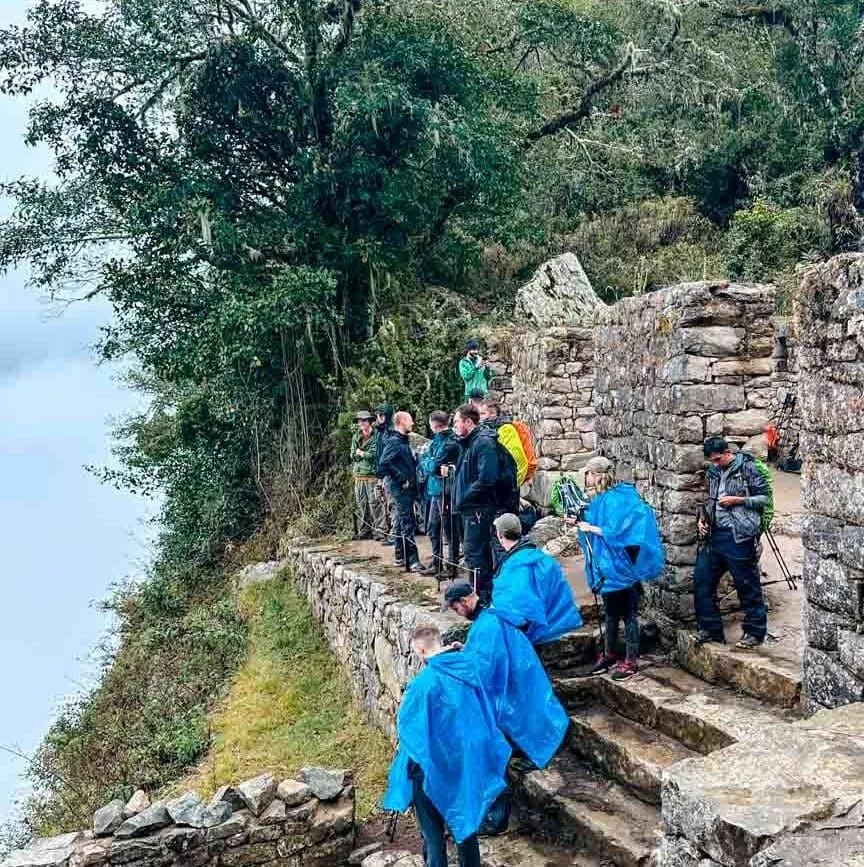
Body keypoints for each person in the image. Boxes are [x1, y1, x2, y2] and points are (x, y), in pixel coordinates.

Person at [383, 623, 511, 867]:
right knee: (465, 827)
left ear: (420, 650)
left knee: (433, 840)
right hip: (465, 765)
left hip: (430, 771)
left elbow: (410, 735)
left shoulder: (422, 685)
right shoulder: (470, 670)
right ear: (440, 643)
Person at [443, 582, 570, 770]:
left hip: (515, 673)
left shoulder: (487, 623)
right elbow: (486, 652)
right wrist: (465, 650)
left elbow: (484, 666)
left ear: (464, 601)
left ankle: (538, 748)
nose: (457, 612)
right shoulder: (492, 613)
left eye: (456, 608)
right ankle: (525, 744)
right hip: (519, 667)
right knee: (528, 708)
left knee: (524, 711)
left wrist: (455, 663)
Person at [573, 456, 663, 681]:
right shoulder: (607, 498)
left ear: (599, 475)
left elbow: (616, 531)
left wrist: (591, 528)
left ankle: (631, 660)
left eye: (590, 474)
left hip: (622, 565)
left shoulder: (616, 500)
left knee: (628, 614)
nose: (588, 478)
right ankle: (610, 653)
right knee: (611, 613)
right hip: (609, 566)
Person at [694, 437, 770, 650]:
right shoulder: (714, 472)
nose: (715, 464)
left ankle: (754, 631)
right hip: (715, 536)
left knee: (747, 585)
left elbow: (763, 498)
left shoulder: (748, 468)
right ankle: (710, 629)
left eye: (718, 459)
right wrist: (704, 519)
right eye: (712, 461)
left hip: (740, 536)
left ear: (728, 452)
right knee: (702, 580)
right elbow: (710, 500)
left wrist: (738, 500)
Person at [491, 513, 583, 644]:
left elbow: (518, 608)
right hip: (555, 627)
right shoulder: (543, 558)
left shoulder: (513, 567)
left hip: (528, 635)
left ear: (500, 536)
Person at [445, 404, 500, 599]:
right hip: (470, 508)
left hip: (478, 509)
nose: (455, 426)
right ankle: (481, 597)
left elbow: (487, 478)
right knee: (475, 555)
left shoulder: (483, 443)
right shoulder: (468, 443)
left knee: (475, 555)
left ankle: (481, 599)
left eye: (457, 422)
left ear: (469, 421)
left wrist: (465, 496)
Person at [378, 411, 425, 572]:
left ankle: (399, 555)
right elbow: (384, 463)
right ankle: (412, 560)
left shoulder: (404, 441)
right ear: (401, 422)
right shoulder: (394, 442)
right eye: (410, 421)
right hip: (400, 488)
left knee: (401, 520)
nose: (412, 423)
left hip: (408, 487)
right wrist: (401, 479)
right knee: (407, 522)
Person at [418, 411, 460, 576]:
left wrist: (426, 461)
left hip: (446, 491)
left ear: (433, 424)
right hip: (435, 490)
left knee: (449, 529)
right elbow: (431, 463)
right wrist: (429, 462)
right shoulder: (437, 440)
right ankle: (437, 562)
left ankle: (451, 566)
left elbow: (430, 464)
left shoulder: (449, 443)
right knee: (432, 527)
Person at [479, 397, 528, 490]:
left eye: (482, 413)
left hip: (502, 487)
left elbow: (519, 459)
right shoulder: (484, 430)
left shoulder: (506, 430)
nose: (479, 417)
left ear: (493, 414)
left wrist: (510, 485)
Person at [350, 411, 383, 540]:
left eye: (364, 421)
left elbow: (373, 455)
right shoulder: (356, 437)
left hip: (371, 475)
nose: (361, 423)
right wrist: (361, 453)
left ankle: (380, 530)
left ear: (370, 422)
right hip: (358, 475)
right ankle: (365, 530)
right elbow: (352, 455)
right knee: (362, 503)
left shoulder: (376, 437)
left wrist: (361, 453)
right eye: (359, 421)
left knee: (374, 503)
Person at [375, 404, 397, 547]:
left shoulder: (391, 433)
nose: (378, 418)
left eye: (380, 415)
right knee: (387, 504)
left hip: (391, 474)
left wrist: (385, 475)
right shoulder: (381, 432)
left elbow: (388, 457)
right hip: (384, 474)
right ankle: (393, 532)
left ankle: (395, 534)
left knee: (393, 504)